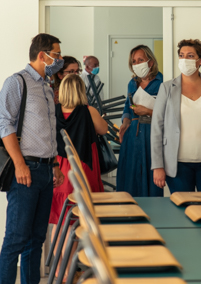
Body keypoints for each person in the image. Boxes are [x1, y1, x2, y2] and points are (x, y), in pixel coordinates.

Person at [0, 33, 65, 284]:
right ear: (43, 55)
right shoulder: (17, 82)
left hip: (47, 172)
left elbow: (48, 130)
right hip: (26, 171)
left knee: (36, 240)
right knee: (15, 240)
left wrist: (56, 164)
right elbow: (4, 125)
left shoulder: (46, 86)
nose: (58, 60)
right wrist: (19, 164)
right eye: (56, 55)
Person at [151, 39, 201, 193]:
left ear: (200, 60)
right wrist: (157, 165)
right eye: (181, 55)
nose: (184, 60)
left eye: (190, 56)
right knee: (182, 212)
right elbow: (157, 128)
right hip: (177, 166)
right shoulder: (167, 88)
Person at [50, 74, 107, 281]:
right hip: (82, 170)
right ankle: (74, 269)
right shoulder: (88, 111)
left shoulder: (53, 111)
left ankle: (61, 271)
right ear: (81, 91)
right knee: (77, 223)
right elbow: (104, 129)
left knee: (60, 222)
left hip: (59, 169)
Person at [116, 45, 163, 197]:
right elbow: (127, 108)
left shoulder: (162, 82)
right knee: (130, 175)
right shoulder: (132, 83)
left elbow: (169, 114)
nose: (136, 64)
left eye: (140, 60)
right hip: (132, 136)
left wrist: (148, 111)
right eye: (134, 61)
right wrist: (124, 124)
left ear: (150, 62)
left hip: (152, 135)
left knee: (151, 174)